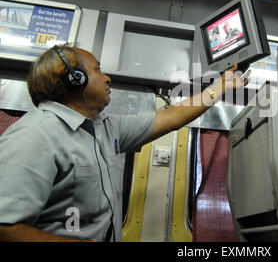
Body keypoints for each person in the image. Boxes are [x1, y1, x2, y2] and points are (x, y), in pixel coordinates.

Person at [0, 44, 249, 242]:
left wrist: (222, 86)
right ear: (75, 79)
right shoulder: (35, 135)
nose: (107, 78)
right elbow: (5, 226)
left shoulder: (105, 128)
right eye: (97, 70)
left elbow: (173, 117)